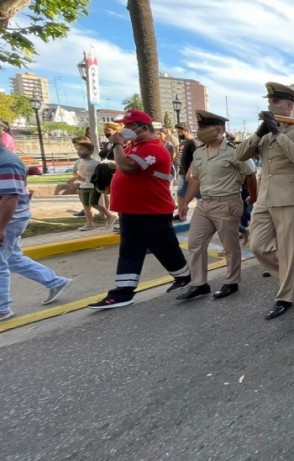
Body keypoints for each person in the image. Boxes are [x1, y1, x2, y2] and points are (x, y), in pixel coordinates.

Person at [88, 110, 191, 309]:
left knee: (164, 248)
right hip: (133, 210)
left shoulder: (153, 148)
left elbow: (128, 167)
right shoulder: (135, 147)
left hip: (151, 210)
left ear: (144, 129)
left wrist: (117, 144)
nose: (123, 130)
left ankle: (185, 277)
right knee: (131, 251)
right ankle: (122, 292)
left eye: (129, 126)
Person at [237, 82, 294, 320]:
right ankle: (287, 273)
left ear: (289, 105)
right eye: (269, 101)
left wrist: (278, 133)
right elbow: (240, 155)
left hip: (290, 197)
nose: (271, 104)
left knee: (287, 249)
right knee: (257, 245)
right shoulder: (266, 131)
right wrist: (260, 132)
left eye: (276, 101)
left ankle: (285, 296)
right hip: (266, 197)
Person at [176, 110, 256, 301]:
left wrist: (254, 197)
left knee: (229, 246)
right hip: (205, 204)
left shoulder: (235, 151)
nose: (199, 130)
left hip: (227, 202)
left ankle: (231, 281)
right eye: (199, 127)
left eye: (204, 127)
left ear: (219, 130)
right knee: (195, 243)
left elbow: (250, 175)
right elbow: (195, 179)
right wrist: (185, 203)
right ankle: (199, 284)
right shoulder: (199, 152)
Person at [0, 145, 72, 321]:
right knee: (12, 258)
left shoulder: (6, 162)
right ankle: (55, 282)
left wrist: (0, 227)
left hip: (10, 220)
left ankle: (2, 308)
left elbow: (10, 197)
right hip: (11, 220)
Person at [72, 137, 114, 231]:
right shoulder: (78, 162)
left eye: (82, 149)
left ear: (90, 151)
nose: (79, 151)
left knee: (93, 203)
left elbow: (101, 174)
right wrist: (77, 176)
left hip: (93, 186)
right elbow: (74, 171)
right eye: (78, 149)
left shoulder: (95, 163)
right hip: (83, 186)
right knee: (86, 206)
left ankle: (109, 216)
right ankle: (90, 223)